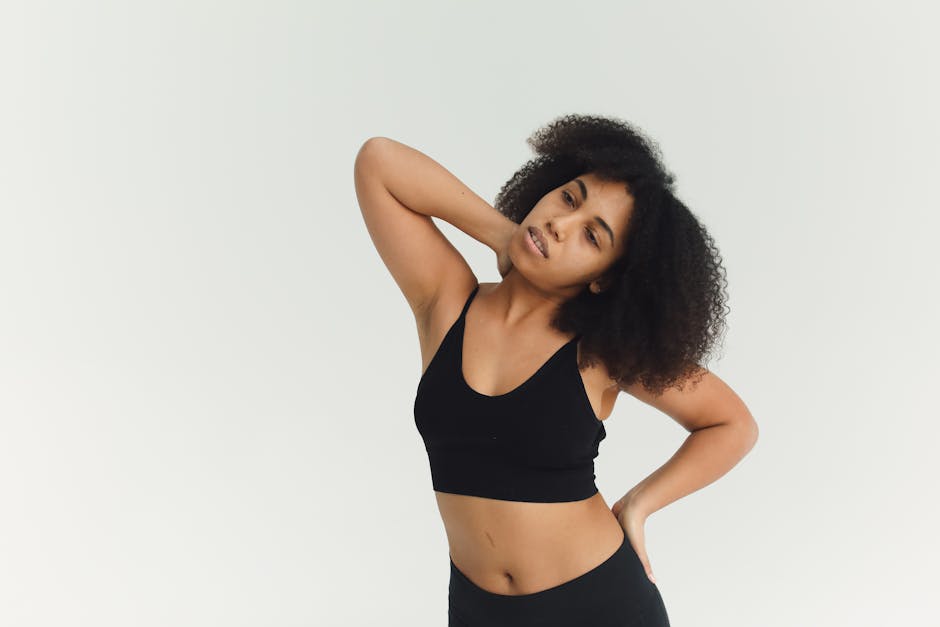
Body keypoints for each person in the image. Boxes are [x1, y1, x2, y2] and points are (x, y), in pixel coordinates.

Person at [353, 114, 759, 626]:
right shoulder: (447, 301)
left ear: (603, 279)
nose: (559, 225)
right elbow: (379, 162)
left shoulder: (601, 353)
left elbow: (731, 424)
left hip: (600, 606)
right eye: (568, 198)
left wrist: (639, 504)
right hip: (477, 612)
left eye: (592, 236)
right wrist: (503, 235)